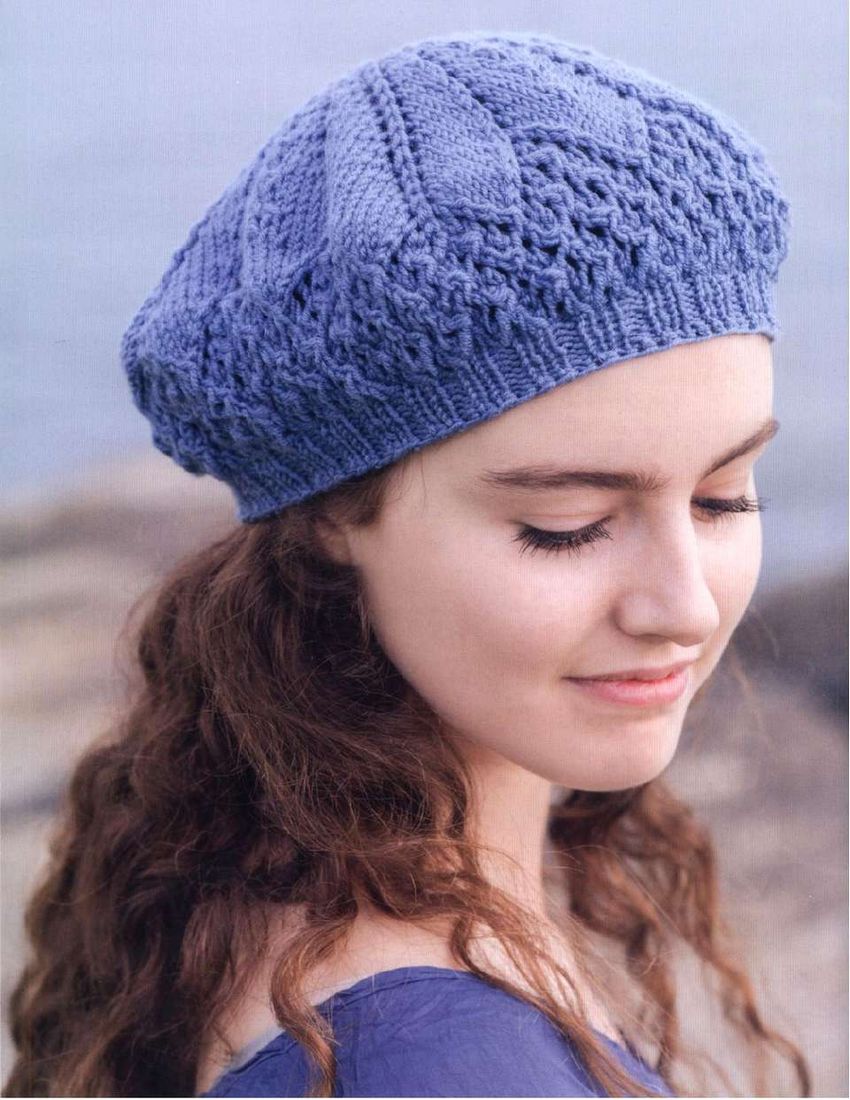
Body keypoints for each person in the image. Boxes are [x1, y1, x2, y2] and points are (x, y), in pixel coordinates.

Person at [3, 30, 810, 1099]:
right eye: (566, 524)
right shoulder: (430, 1059)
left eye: (724, 495)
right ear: (332, 516)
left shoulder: (256, 878)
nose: (686, 605)